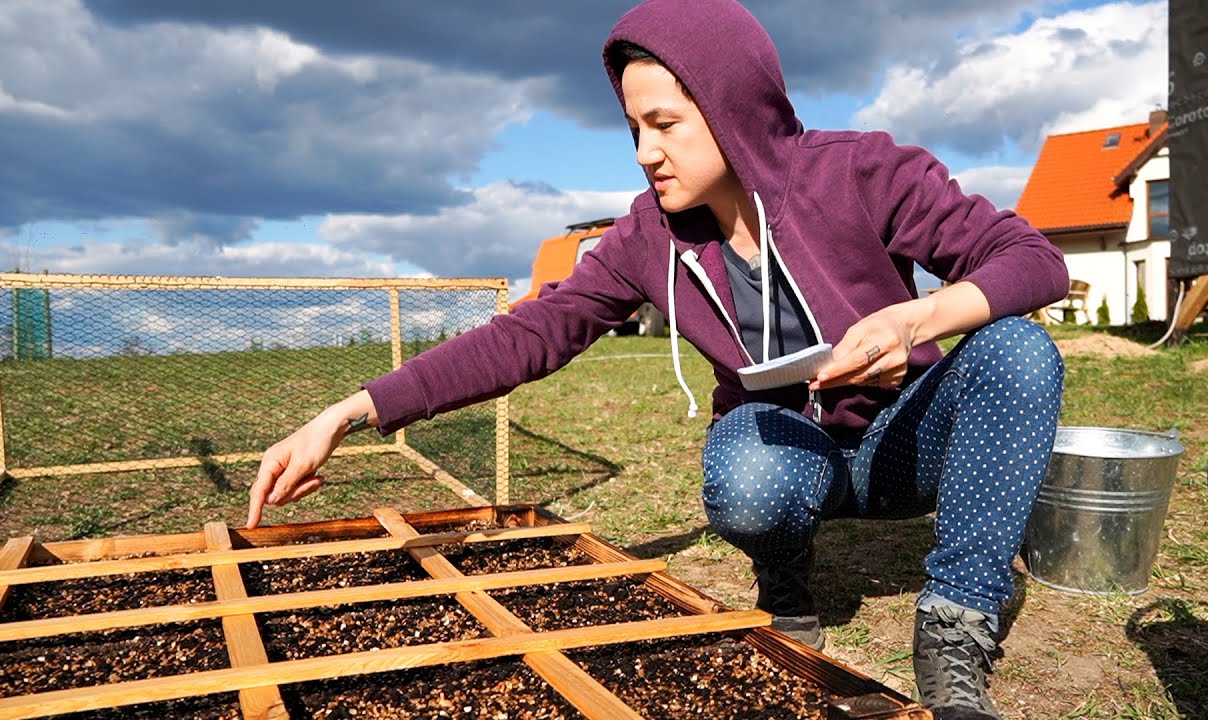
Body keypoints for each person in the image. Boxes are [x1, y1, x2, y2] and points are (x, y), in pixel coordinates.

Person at [247, 1, 1068, 717]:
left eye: (665, 125)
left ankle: (957, 626)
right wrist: (351, 410)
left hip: (900, 444)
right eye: (634, 128)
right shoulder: (646, 235)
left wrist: (917, 316)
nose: (645, 152)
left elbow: (1030, 260)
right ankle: (786, 580)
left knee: (1017, 348)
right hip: (790, 453)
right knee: (747, 469)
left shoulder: (861, 171)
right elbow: (534, 331)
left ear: (731, 109)